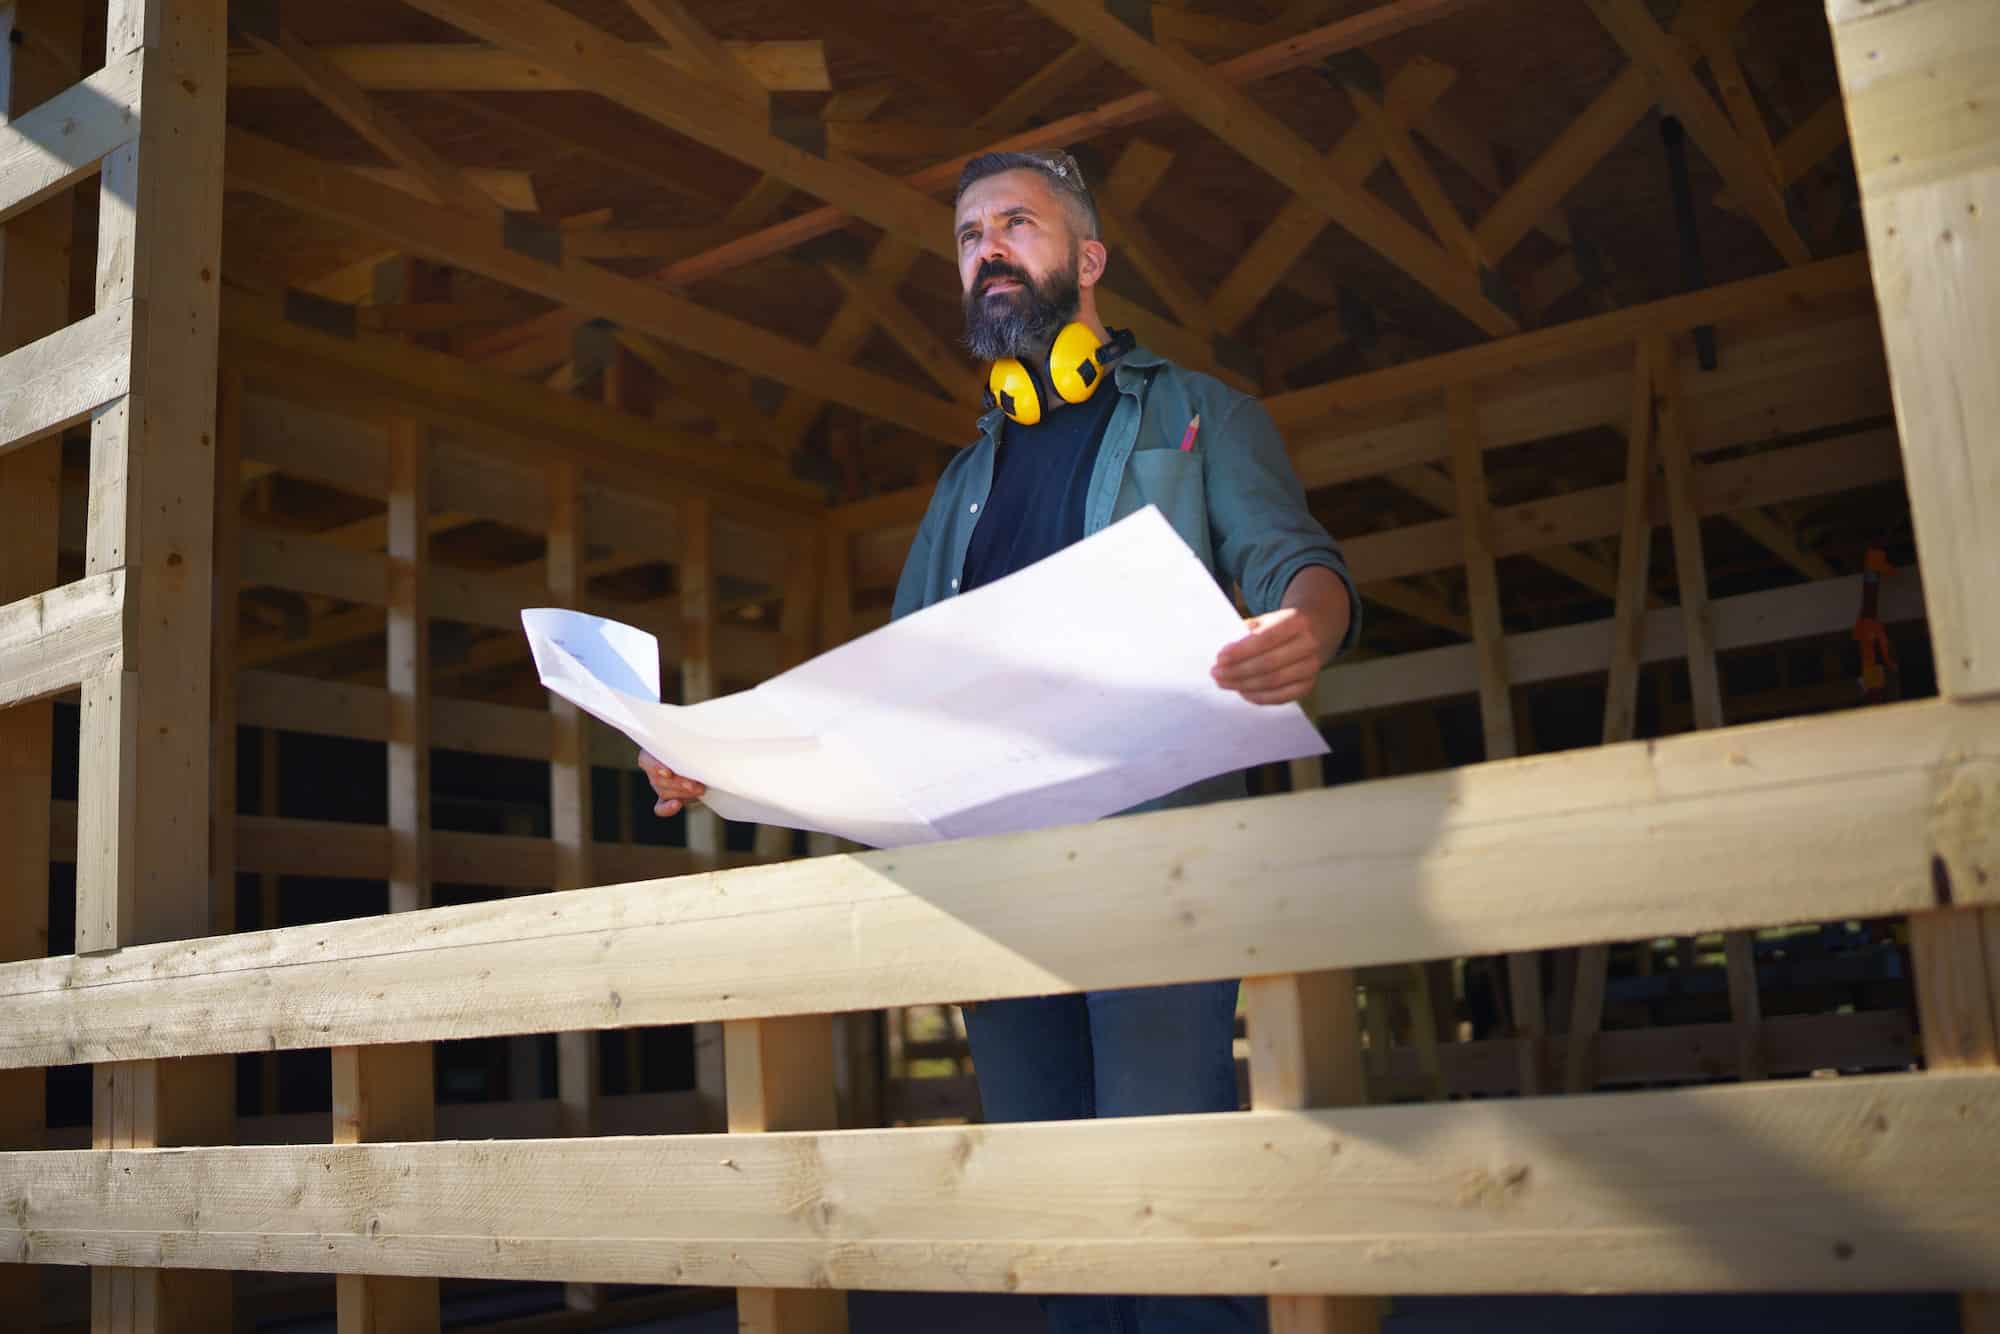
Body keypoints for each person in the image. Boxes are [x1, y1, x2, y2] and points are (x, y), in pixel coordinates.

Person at [639, 149, 1359, 1334]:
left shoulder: (1195, 415)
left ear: (1085, 261)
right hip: (991, 883)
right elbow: (879, 694)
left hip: (1154, 866)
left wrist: (1306, 626)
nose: (985, 249)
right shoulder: (962, 483)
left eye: (1013, 225)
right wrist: (721, 759)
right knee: (1052, 1212)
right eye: (968, 235)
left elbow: (1295, 562)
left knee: (1166, 1187)